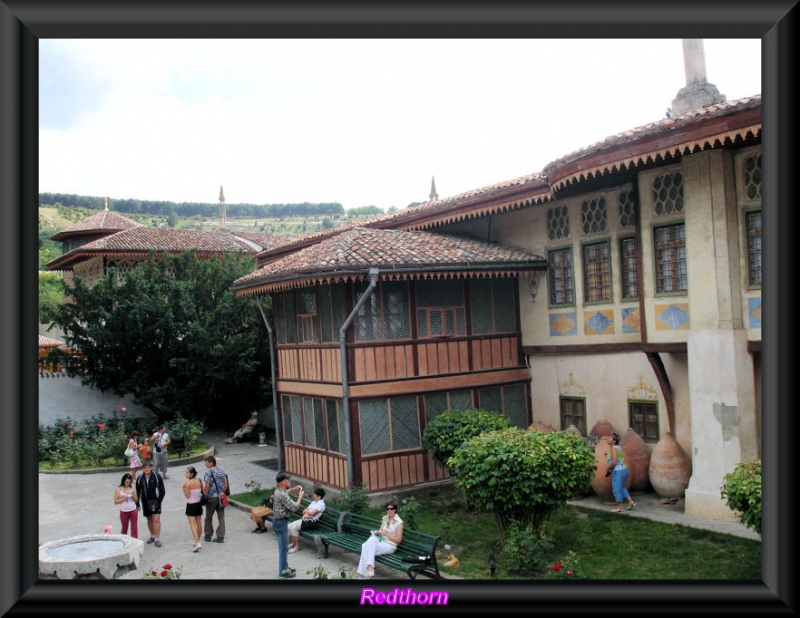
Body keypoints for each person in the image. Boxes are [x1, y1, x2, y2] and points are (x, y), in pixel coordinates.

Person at [357, 500, 403, 578]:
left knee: (365, 546)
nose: (389, 511)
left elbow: (398, 540)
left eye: (391, 509)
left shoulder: (399, 523)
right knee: (370, 541)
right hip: (381, 541)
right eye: (387, 509)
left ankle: (363, 576)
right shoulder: (385, 518)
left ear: (395, 510)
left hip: (390, 545)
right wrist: (378, 532)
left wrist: (386, 534)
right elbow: (381, 530)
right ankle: (369, 568)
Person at [271, 473, 303, 578]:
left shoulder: (277, 491)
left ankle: (285, 566)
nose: (289, 481)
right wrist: (300, 497)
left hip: (276, 522)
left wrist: (293, 489)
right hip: (281, 522)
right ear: (283, 482)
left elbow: (284, 493)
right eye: (287, 480)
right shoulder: (283, 495)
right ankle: (283, 572)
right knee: (284, 549)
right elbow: (294, 507)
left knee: (282, 547)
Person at [136, 461, 166, 547]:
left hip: (154, 501)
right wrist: (137, 503)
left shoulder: (156, 477)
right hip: (145, 501)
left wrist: (159, 500)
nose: (147, 469)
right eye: (145, 468)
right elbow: (137, 492)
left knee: (156, 519)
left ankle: (157, 538)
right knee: (149, 519)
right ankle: (152, 535)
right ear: (143, 469)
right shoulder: (140, 479)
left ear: (151, 468)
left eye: (148, 467)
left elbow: (162, 490)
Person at [288, 488, 326, 553]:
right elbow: (304, 511)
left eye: (315, 495)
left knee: (294, 528)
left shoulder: (321, 504)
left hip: (311, 522)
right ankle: (294, 543)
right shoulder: (314, 502)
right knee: (289, 526)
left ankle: (297, 547)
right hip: (305, 519)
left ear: (319, 497)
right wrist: (307, 512)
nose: (313, 496)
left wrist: (307, 512)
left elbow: (312, 513)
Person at [606, 433, 636, 513]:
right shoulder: (617, 448)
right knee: (622, 487)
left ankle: (620, 506)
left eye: (610, 438)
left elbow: (614, 461)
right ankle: (631, 502)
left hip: (618, 471)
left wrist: (608, 468)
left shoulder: (613, 449)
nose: (608, 438)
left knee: (617, 489)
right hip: (624, 469)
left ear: (614, 441)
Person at [202, 455, 228, 544]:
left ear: (211, 463)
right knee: (221, 517)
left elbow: (207, 485)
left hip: (212, 497)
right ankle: (220, 536)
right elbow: (225, 485)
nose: (205, 464)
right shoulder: (222, 471)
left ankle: (208, 535)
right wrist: (222, 493)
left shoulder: (208, 472)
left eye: (206, 462)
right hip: (221, 497)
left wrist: (205, 494)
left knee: (208, 517)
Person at [183, 466, 204, 552]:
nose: (186, 474)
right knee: (199, 523)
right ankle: (197, 540)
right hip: (198, 503)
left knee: (192, 525)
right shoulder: (199, 481)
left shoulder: (188, 483)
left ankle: (197, 542)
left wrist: (183, 489)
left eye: (187, 472)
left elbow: (187, 496)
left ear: (191, 474)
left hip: (191, 504)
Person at [114, 472, 139, 538]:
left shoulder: (133, 488)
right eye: (127, 482)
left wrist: (133, 497)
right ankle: (123, 540)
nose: (128, 484)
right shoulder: (118, 489)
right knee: (124, 527)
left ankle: (135, 541)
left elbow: (136, 500)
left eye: (129, 482)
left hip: (133, 510)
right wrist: (123, 499)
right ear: (123, 481)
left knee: (134, 527)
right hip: (123, 511)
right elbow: (116, 501)